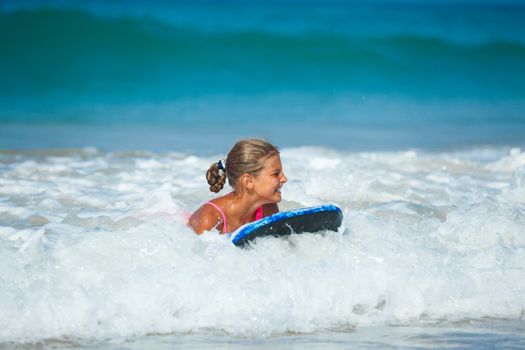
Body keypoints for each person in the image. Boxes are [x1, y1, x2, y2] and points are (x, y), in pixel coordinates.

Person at [189, 139, 287, 234]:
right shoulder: (209, 219)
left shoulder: (267, 207)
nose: (284, 179)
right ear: (249, 181)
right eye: (276, 174)